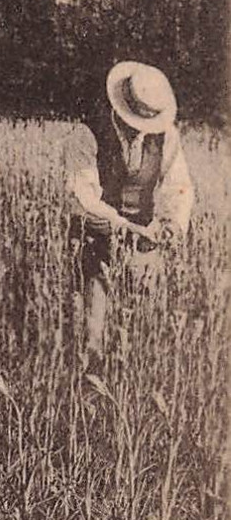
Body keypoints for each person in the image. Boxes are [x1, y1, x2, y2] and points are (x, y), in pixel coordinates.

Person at [65, 61, 194, 363]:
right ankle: (89, 390)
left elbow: (180, 186)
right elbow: (84, 199)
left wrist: (174, 224)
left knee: (137, 328)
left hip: (143, 244)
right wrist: (126, 226)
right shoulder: (86, 134)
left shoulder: (166, 137)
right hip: (95, 239)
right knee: (92, 334)